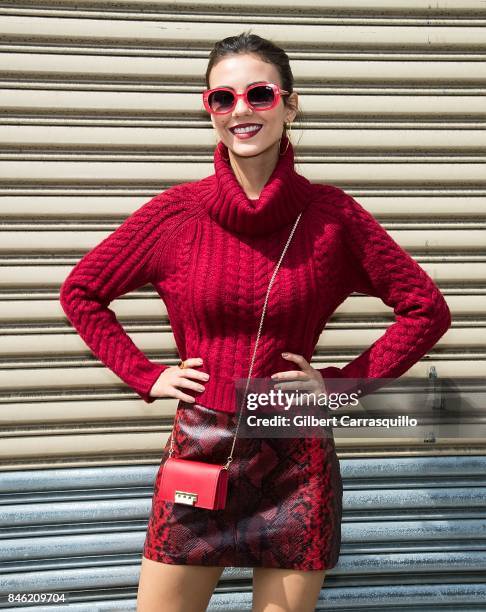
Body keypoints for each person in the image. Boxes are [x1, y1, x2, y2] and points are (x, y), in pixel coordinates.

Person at [59, 31, 452, 612]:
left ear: (290, 104)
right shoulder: (175, 214)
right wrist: (147, 375)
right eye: (223, 98)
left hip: (295, 456)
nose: (241, 110)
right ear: (210, 109)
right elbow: (82, 291)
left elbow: (426, 309)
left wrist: (343, 386)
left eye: (259, 93)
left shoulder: (333, 217)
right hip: (200, 447)